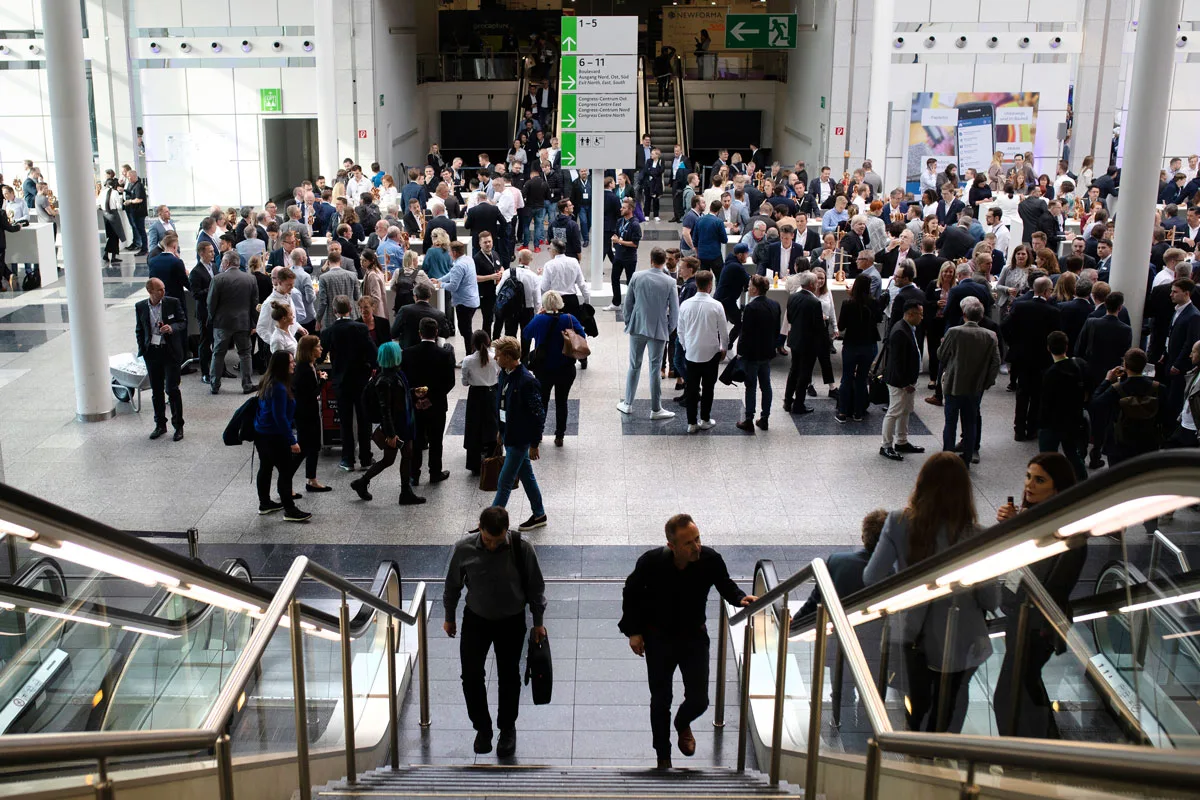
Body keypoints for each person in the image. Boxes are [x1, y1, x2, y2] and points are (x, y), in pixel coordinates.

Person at [864, 453, 997, 733]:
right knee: (950, 700)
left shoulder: (899, 522)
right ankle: (938, 750)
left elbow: (871, 576)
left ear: (921, 483)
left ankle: (915, 747)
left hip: (913, 632)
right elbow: (990, 599)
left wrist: (903, 585)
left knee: (918, 697)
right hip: (962, 636)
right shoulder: (978, 535)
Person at [618, 514, 755, 770]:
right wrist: (633, 632)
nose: (696, 547)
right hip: (659, 638)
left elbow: (725, 584)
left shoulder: (709, 559)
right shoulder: (651, 563)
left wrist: (740, 599)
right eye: (688, 543)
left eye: (697, 538)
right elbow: (631, 592)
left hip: (693, 636)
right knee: (660, 699)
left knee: (699, 699)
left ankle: (682, 723)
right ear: (672, 546)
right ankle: (663, 756)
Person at [993, 453, 1085, 738]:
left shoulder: (1069, 534)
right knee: (1026, 686)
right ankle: (1047, 744)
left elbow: (1055, 587)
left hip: (1036, 627)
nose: (1029, 485)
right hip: (1018, 617)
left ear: (1057, 489)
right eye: (1028, 476)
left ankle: (1028, 754)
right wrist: (1008, 527)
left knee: (1008, 695)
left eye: (1040, 480)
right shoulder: (1031, 517)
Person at [444, 505, 547, 758]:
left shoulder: (522, 548)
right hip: (476, 619)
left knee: (509, 677)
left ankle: (507, 728)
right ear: (480, 529)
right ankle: (482, 728)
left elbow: (536, 588)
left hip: (511, 621)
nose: (492, 546)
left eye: (497, 541)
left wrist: (538, 621)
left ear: (506, 532)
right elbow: (452, 587)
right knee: (470, 676)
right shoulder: (463, 549)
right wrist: (449, 618)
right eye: (488, 540)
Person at [350, 342, 424, 506]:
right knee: (397, 457)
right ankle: (402, 492)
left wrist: (413, 392)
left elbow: (398, 399)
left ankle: (365, 483)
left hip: (403, 423)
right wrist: (391, 434)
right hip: (397, 426)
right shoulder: (385, 381)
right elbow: (386, 410)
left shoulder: (395, 374)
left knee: (400, 456)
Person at [491, 336, 547, 530]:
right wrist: (501, 430)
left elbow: (538, 414)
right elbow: (502, 404)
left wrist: (535, 443)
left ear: (507, 356)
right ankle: (539, 514)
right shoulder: (504, 374)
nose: (495, 357)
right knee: (526, 476)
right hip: (509, 433)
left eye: (498, 354)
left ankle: (490, 523)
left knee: (504, 481)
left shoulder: (526, 381)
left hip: (520, 439)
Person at [937, 297, 1000, 467]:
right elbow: (996, 362)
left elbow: (941, 356)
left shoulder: (954, 332)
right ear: (981, 316)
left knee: (950, 423)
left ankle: (947, 456)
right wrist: (987, 382)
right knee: (970, 423)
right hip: (975, 387)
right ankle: (966, 458)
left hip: (953, 384)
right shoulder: (990, 335)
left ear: (964, 314)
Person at [617, 248, 679, 420]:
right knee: (655, 368)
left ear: (651, 260)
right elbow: (675, 311)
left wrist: (629, 321)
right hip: (659, 329)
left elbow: (628, 303)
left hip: (638, 326)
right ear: (664, 261)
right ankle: (656, 408)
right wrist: (669, 329)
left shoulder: (637, 276)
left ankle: (628, 403)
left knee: (634, 365)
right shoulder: (669, 282)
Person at [253, 350, 311, 522]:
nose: (294, 364)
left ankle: (265, 503)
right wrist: (291, 440)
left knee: (265, 468)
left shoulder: (268, 380)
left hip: (261, 433)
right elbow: (280, 417)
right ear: (282, 366)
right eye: (291, 362)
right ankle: (290, 509)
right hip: (274, 436)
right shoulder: (279, 387)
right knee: (285, 472)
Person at [1001, 276, 1062, 441]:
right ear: (1047, 291)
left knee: (1022, 393)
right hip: (1043, 358)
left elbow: (1005, 326)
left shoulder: (1020, 306)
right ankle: (1032, 428)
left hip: (1022, 356)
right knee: (1037, 395)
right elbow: (1057, 335)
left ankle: (1019, 429)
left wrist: (1014, 343)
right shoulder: (1053, 312)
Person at [320, 295, 377, 472]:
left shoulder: (328, 332)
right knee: (364, 419)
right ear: (351, 310)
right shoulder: (360, 328)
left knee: (344, 421)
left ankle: (347, 459)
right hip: (360, 380)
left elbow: (321, 357)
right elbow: (373, 352)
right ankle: (366, 458)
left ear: (334, 311)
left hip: (340, 381)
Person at [523, 291, 586, 448]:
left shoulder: (539, 319)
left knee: (542, 401)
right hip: (566, 368)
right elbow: (582, 336)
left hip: (543, 369)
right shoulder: (569, 318)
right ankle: (559, 436)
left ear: (544, 304)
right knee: (562, 401)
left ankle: (538, 434)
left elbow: (526, 334)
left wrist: (538, 315)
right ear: (560, 303)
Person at [402, 317, 456, 484]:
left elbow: (404, 381)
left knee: (416, 440)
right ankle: (435, 472)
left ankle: (414, 474)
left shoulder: (408, 353)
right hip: (437, 405)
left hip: (415, 405)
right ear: (437, 333)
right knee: (435, 440)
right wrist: (431, 398)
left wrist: (415, 396)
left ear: (419, 333)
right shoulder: (445, 354)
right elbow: (449, 381)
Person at [675, 270, 729, 433]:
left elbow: (680, 330)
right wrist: (724, 348)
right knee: (708, 388)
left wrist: (686, 346)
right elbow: (723, 331)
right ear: (710, 285)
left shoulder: (685, 304)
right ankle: (705, 419)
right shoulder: (716, 305)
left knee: (691, 389)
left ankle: (691, 423)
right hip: (711, 353)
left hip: (692, 352)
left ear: (697, 284)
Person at [1092, 348, 1164, 465]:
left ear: (1125, 364)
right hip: (1147, 444)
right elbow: (1166, 415)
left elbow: (1096, 403)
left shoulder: (1116, 389)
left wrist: (1107, 380)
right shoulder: (1158, 388)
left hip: (1119, 445)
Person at [135, 278, 186, 441]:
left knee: (172, 389)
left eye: (164, 288)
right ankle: (160, 425)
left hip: (170, 352)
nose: (163, 292)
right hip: (152, 353)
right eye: (159, 290)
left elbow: (183, 322)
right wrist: (143, 347)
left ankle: (178, 426)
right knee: (156, 392)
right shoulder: (141, 306)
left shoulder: (172, 302)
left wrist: (172, 328)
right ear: (150, 291)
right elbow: (139, 329)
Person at [1038, 331, 1090, 480]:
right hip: (1072, 420)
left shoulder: (1050, 373)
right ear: (1066, 347)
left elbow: (1046, 402)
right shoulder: (1078, 366)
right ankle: (1082, 480)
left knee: (1047, 457)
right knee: (1072, 452)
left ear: (1048, 348)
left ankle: (1049, 481)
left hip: (1052, 423)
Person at [880, 301, 926, 461]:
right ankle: (886, 445)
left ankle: (901, 441)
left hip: (907, 381)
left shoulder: (908, 327)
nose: (922, 317)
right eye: (920, 314)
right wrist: (906, 383)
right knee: (894, 412)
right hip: (900, 382)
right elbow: (897, 362)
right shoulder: (900, 331)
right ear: (911, 314)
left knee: (906, 410)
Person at [207, 251, 258, 395]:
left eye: (223, 262)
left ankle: (214, 385)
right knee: (245, 354)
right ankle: (247, 384)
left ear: (227, 263)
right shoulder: (250, 279)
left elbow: (211, 303)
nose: (221, 264)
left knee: (218, 354)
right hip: (243, 322)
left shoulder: (217, 279)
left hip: (222, 323)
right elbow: (254, 304)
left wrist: (212, 319)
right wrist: (254, 323)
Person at [736, 274, 781, 434]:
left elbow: (745, 333)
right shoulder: (775, 305)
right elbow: (777, 330)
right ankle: (765, 418)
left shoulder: (751, 307)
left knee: (751, 387)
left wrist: (740, 352)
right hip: (767, 352)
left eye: (749, 285)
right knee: (766, 386)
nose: (748, 287)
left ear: (754, 289)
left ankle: (749, 419)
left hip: (752, 354)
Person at [834, 275, 881, 424]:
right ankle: (858, 412)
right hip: (868, 345)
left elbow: (841, 326)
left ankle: (842, 412)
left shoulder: (848, 303)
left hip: (851, 344)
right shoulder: (873, 303)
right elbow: (878, 319)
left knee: (846, 378)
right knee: (861, 380)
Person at [783, 272, 829, 415]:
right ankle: (798, 404)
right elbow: (818, 327)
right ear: (811, 285)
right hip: (809, 343)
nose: (817, 285)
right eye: (815, 283)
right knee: (804, 374)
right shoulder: (815, 302)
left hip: (795, 340)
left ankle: (787, 400)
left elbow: (789, 317)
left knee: (793, 370)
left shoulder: (792, 297)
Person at [293, 335, 331, 493]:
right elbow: (310, 393)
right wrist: (322, 381)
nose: (321, 349)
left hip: (309, 412)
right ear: (310, 350)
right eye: (318, 346)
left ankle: (312, 479)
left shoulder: (309, 366)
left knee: (314, 446)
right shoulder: (304, 369)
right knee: (304, 448)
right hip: (305, 414)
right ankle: (287, 479)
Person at [462, 330, 500, 473]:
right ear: (488, 341)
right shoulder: (495, 358)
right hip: (491, 393)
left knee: (474, 427)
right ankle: (493, 459)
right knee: (492, 426)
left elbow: (465, 382)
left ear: (473, 344)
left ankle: (474, 464)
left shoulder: (468, 360)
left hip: (475, 395)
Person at [605, 198, 642, 310]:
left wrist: (619, 241)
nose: (621, 209)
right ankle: (616, 302)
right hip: (618, 256)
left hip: (629, 257)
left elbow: (635, 244)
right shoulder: (620, 221)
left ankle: (632, 303)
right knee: (614, 278)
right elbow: (616, 234)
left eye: (624, 207)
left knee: (630, 281)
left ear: (630, 209)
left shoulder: (635, 225)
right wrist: (614, 239)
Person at [315, 253, 361, 330]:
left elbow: (323, 302)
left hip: (332, 318)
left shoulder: (323, 278)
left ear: (328, 262)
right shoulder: (352, 275)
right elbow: (357, 297)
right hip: (351, 315)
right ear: (340, 262)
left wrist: (318, 319)